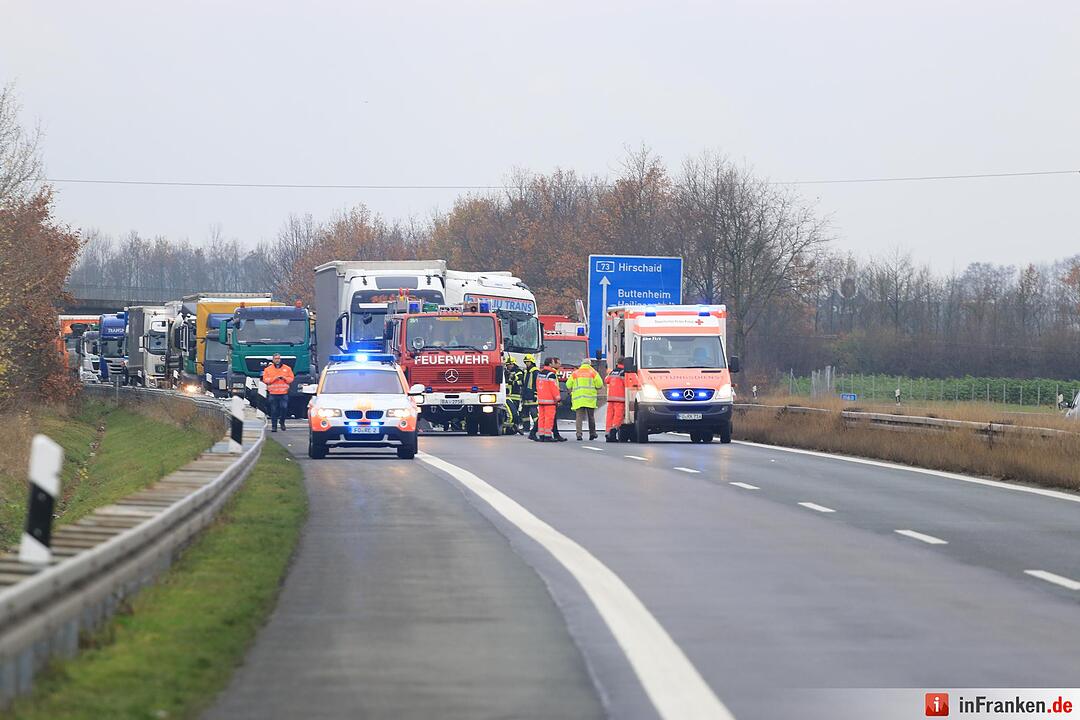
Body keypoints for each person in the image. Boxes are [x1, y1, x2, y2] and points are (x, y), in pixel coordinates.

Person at [565, 359, 602, 441]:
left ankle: (579, 434)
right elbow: (600, 384)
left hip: (578, 399)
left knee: (579, 417)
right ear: (590, 364)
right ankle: (592, 433)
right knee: (591, 417)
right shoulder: (593, 373)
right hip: (590, 398)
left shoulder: (576, 373)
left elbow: (568, 384)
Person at [262, 353, 294, 432]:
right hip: (273, 393)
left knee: (284, 408)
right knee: (273, 410)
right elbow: (265, 380)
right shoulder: (268, 369)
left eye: (278, 358)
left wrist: (284, 378)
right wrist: (274, 378)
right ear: (273, 360)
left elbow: (291, 379)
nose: (277, 360)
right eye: (276, 358)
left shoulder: (287, 368)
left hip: (284, 393)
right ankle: (274, 427)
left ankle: (282, 422)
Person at [535, 357, 561, 442]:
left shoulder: (540, 373)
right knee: (549, 418)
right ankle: (548, 436)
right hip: (549, 400)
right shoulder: (551, 375)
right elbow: (554, 388)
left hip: (541, 399)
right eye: (553, 362)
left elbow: (537, 386)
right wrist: (558, 399)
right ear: (550, 364)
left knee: (541, 418)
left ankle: (541, 435)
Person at [604, 358, 626, 442]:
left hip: (611, 398)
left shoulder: (613, 371)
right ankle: (612, 433)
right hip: (620, 398)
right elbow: (627, 384)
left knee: (609, 416)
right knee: (618, 416)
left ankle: (607, 433)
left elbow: (606, 380)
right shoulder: (623, 372)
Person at [503, 355, 523, 434]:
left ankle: (515, 426)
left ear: (513, 364)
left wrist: (511, 376)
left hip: (515, 396)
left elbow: (517, 378)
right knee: (509, 412)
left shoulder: (518, 371)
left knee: (515, 412)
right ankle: (512, 428)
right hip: (507, 396)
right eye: (507, 365)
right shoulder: (505, 372)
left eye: (509, 364)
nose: (508, 366)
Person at [522, 354, 539, 439]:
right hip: (525, 395)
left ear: (532, 362)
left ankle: (537, 428)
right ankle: (526, 428)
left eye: (528, 362)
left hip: (532, 395)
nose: (527, 364)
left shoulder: (535, 372)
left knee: (534, 413)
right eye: (525, 362)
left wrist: (535, 394)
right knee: (525, 413)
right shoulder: (526, 371)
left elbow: (537, 384)